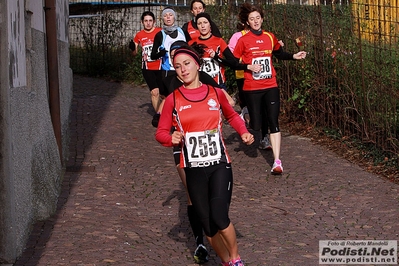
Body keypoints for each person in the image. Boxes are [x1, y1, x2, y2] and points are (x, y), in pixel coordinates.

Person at [155, 46, 254, 266]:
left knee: (219, 216)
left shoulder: (215, 93)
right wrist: (169, 138)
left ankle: (236, 258)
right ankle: (227, 261)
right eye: (177, 66)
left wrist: (244, 132)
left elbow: (233, 116)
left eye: (187, 64)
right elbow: (160, 132)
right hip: (194, 169)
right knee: (208, 225)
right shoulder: (173, 99)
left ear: (197, 65)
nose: (183, 70)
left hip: (219, 164)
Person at [233, 3, 307, 174]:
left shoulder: (269, 36)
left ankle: (277, 161)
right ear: (247, 22)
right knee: (256, 126)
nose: (256, 21)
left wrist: (294, 56)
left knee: (274, 122)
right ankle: (246, 113)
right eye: (252, 19)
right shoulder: (243, 40)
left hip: (270, 85)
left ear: (262, 19)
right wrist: (248, 67)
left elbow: (279, 53)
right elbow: (233, 61)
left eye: (258, 18)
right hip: (252, 87)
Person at [150, 7, 186, 127]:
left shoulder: (181, 31)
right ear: (162, 18)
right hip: (168, 70)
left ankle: (171, 118)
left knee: (181, 95)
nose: (168, 17)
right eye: (166, 15)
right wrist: (163, 52)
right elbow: (153, 55)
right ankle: (162, 117)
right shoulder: (160, 35)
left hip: (182, 70)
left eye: (170, 15)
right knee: (170, 96)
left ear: (174, 17)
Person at [130, 11, 164, 117]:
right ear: (142, 22)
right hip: (147, 68)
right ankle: (159, 116)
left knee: (163, 95)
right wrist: (132, 48)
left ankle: (167, 112)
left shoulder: (160, 32)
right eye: (146, 21)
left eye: (150, 21)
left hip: (161, 66)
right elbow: (134, 53)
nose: (148, 23)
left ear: (154, 21)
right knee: (154, 93)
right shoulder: (139, 35)